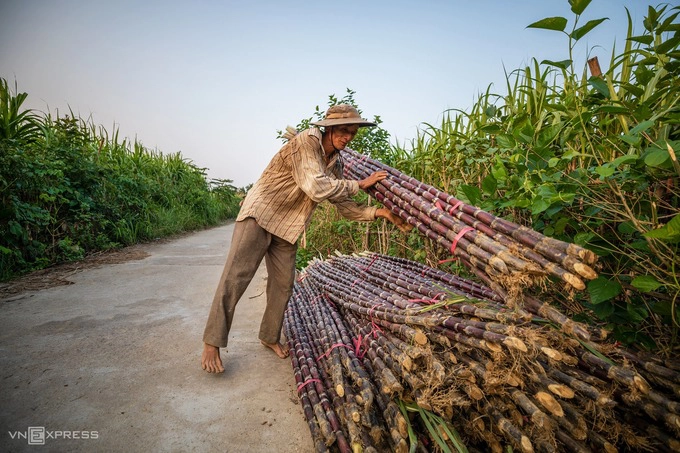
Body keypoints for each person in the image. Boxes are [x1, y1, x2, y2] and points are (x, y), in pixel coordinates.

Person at [201, 104, 409, 373]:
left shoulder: (336, 162)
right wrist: (361, 184)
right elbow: (315, 186)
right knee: (236, 276)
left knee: (284, 284)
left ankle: (269, 336)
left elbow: (343, 204)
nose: (347, 137)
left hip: (288, 225)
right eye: (343, 131)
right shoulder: (306, 143)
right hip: (260, 214)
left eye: (353, 133)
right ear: (329, 128)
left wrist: (380, 212)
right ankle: (212, 342)